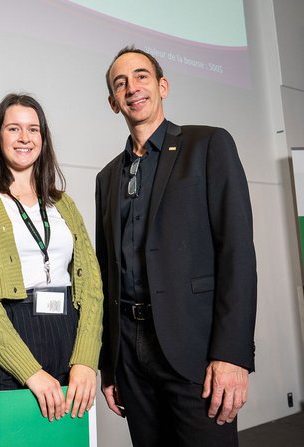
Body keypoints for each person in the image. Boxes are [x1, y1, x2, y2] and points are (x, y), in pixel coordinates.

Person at [96, 46, 257, 446]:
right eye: (121, 83)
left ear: (162, 85)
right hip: (131, 356)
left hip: (195, 350)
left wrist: (233, 355)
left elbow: (237, 254)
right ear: (113, 103)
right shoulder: (106, 178)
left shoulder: (208, 146)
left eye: (141, 76)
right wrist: (110, 366)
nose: (132, 88)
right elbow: (106, 273)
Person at [0, 93, 104, 447]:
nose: (24, 137)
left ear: (44, 139)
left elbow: (93, 287)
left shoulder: (64, 204)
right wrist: (30, 372)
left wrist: (85, 360)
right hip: (6, 344)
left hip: (68, 339)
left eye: (33, 129)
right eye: (14, 128)